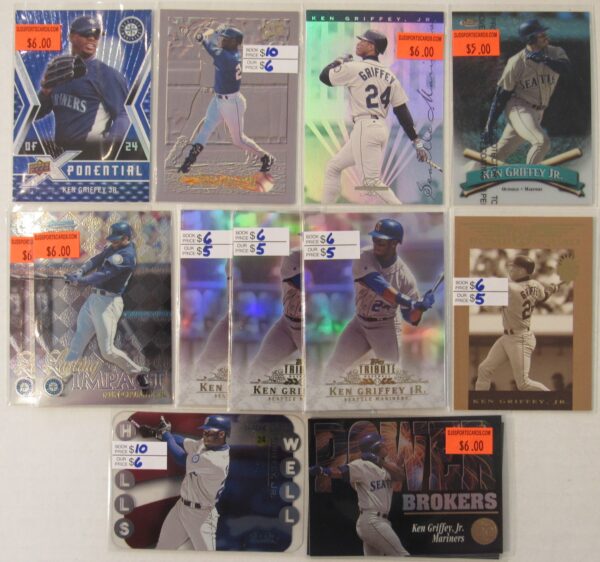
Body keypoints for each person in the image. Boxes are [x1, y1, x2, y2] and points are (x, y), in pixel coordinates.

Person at [318, 30, 428, 204]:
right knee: (333, 167)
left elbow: (324, 77)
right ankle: (326, 210)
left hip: (365, 127)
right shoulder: (390, 76)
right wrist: (417, 142)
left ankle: (402, 212)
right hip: (379, 128)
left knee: (371, 182)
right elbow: (402, 112)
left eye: (362, 41)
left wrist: (339, 61)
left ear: (371, 46)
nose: (358, 43)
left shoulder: (354, 67)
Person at [325, 218, 434, 377]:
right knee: (334, 366)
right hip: (359, 324)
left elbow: (411, 318)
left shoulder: (405, 277)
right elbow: (379, 285)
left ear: (394, 243)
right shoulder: (364, 256)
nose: (376, 243)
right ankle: (322, 393)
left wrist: (421, 308)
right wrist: (411, 302)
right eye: (374, 239)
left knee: (389, 374)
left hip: (385, 327)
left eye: (381, 241)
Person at [63, 221, 150, 391]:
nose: (113, 242)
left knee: (107, 351)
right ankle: (62, 377)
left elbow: (104, 275)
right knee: (78, 341)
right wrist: (80, 272)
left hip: (108, 303)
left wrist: (81, 281)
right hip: (94, 299)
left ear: (126, 238)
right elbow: (97, 259)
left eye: (117, 239)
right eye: (113, 239)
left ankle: (138, 372)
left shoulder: (127, 255)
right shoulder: (115, 247)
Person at [472, 19, 570, 168]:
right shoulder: (517, 62)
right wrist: (489, 126)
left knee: (501, 151)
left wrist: (545, 60)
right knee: (541, 142)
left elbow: (566, 69)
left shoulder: (555, 52)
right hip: (519, 107)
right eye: (541, 34)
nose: (545, 36)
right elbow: (501, 96)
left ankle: (470, 169)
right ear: (530, 39)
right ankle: (531, 178)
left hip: (538, 111)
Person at [178, 26, 274, 174]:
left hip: (232, 103)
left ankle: (265, 157)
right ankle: (189, 160)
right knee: (206, 127)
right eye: (223, 39)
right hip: (218, 100)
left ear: (235, 42)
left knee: (238, 140)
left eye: (226, 39)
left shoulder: (227, 58)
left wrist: (205, 37)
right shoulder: (230, 54)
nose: (223, 41)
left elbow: (211, 47)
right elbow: (214, 47)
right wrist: (215, 34)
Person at [36, 15, 130, 159]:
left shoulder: (107, 75)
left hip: (89, 156)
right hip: (60, 156)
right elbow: (38, 113)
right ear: (72, 37)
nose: (92, 39)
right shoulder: (59, 69)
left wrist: (109, 149)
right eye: (86, 34)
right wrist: (44, 92)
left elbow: (124, 115)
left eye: (96, 35)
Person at [310, 432, 409, 556]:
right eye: (381, 444)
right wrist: (322, 470)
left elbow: (400, 476)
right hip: (372, 520)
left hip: (379, 521)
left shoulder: (388, 467)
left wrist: (380, 461)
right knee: (402, 555)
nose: (385, 445)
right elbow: (341, 472)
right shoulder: (362, 465)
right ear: (374, 448)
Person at [475, 254, 557, 391]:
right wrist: (551, 290)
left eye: (514, 267)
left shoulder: (511, 289)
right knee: (484, 369)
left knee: (523, 384)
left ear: (523, 270)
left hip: (520, 339)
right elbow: (544, 297)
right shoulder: (535, 284)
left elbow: (476, 294)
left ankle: (552, 398)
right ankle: (479, 401)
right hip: (508, 337)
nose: (511, 269)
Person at [157, 415, 231, 550]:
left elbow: (180, 458)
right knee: (162, 549)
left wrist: (166, 436)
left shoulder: (216, 460)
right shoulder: (208, 444)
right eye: (204, 431)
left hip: (202, 516)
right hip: (180, 508)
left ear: (221, 434)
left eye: (209, 432)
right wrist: (164, 433)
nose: (205, 435)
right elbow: (183, 442)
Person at [248, 250, 301, 378]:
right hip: (272, 334)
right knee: (259, 366)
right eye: (272, 280)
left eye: (276, 280)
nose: (274, 282)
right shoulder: (265, 297)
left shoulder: (293, 297)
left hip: (296, 336)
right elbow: (257, 319)